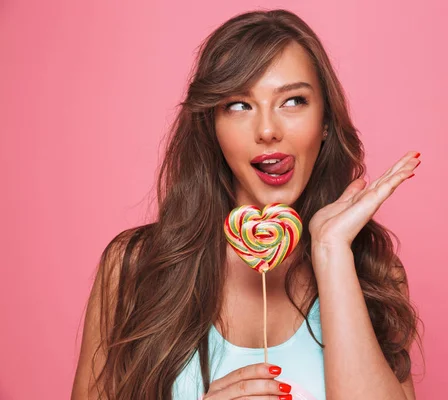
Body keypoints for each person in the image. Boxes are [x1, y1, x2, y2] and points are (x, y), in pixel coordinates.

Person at [71, 8, 423, 400]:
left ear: (325, 122)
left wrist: (331, 252)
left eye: (292, 101)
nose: (268, 130)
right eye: (239, 105)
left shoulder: (372, 270)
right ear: (211, 127)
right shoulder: (135, 267)